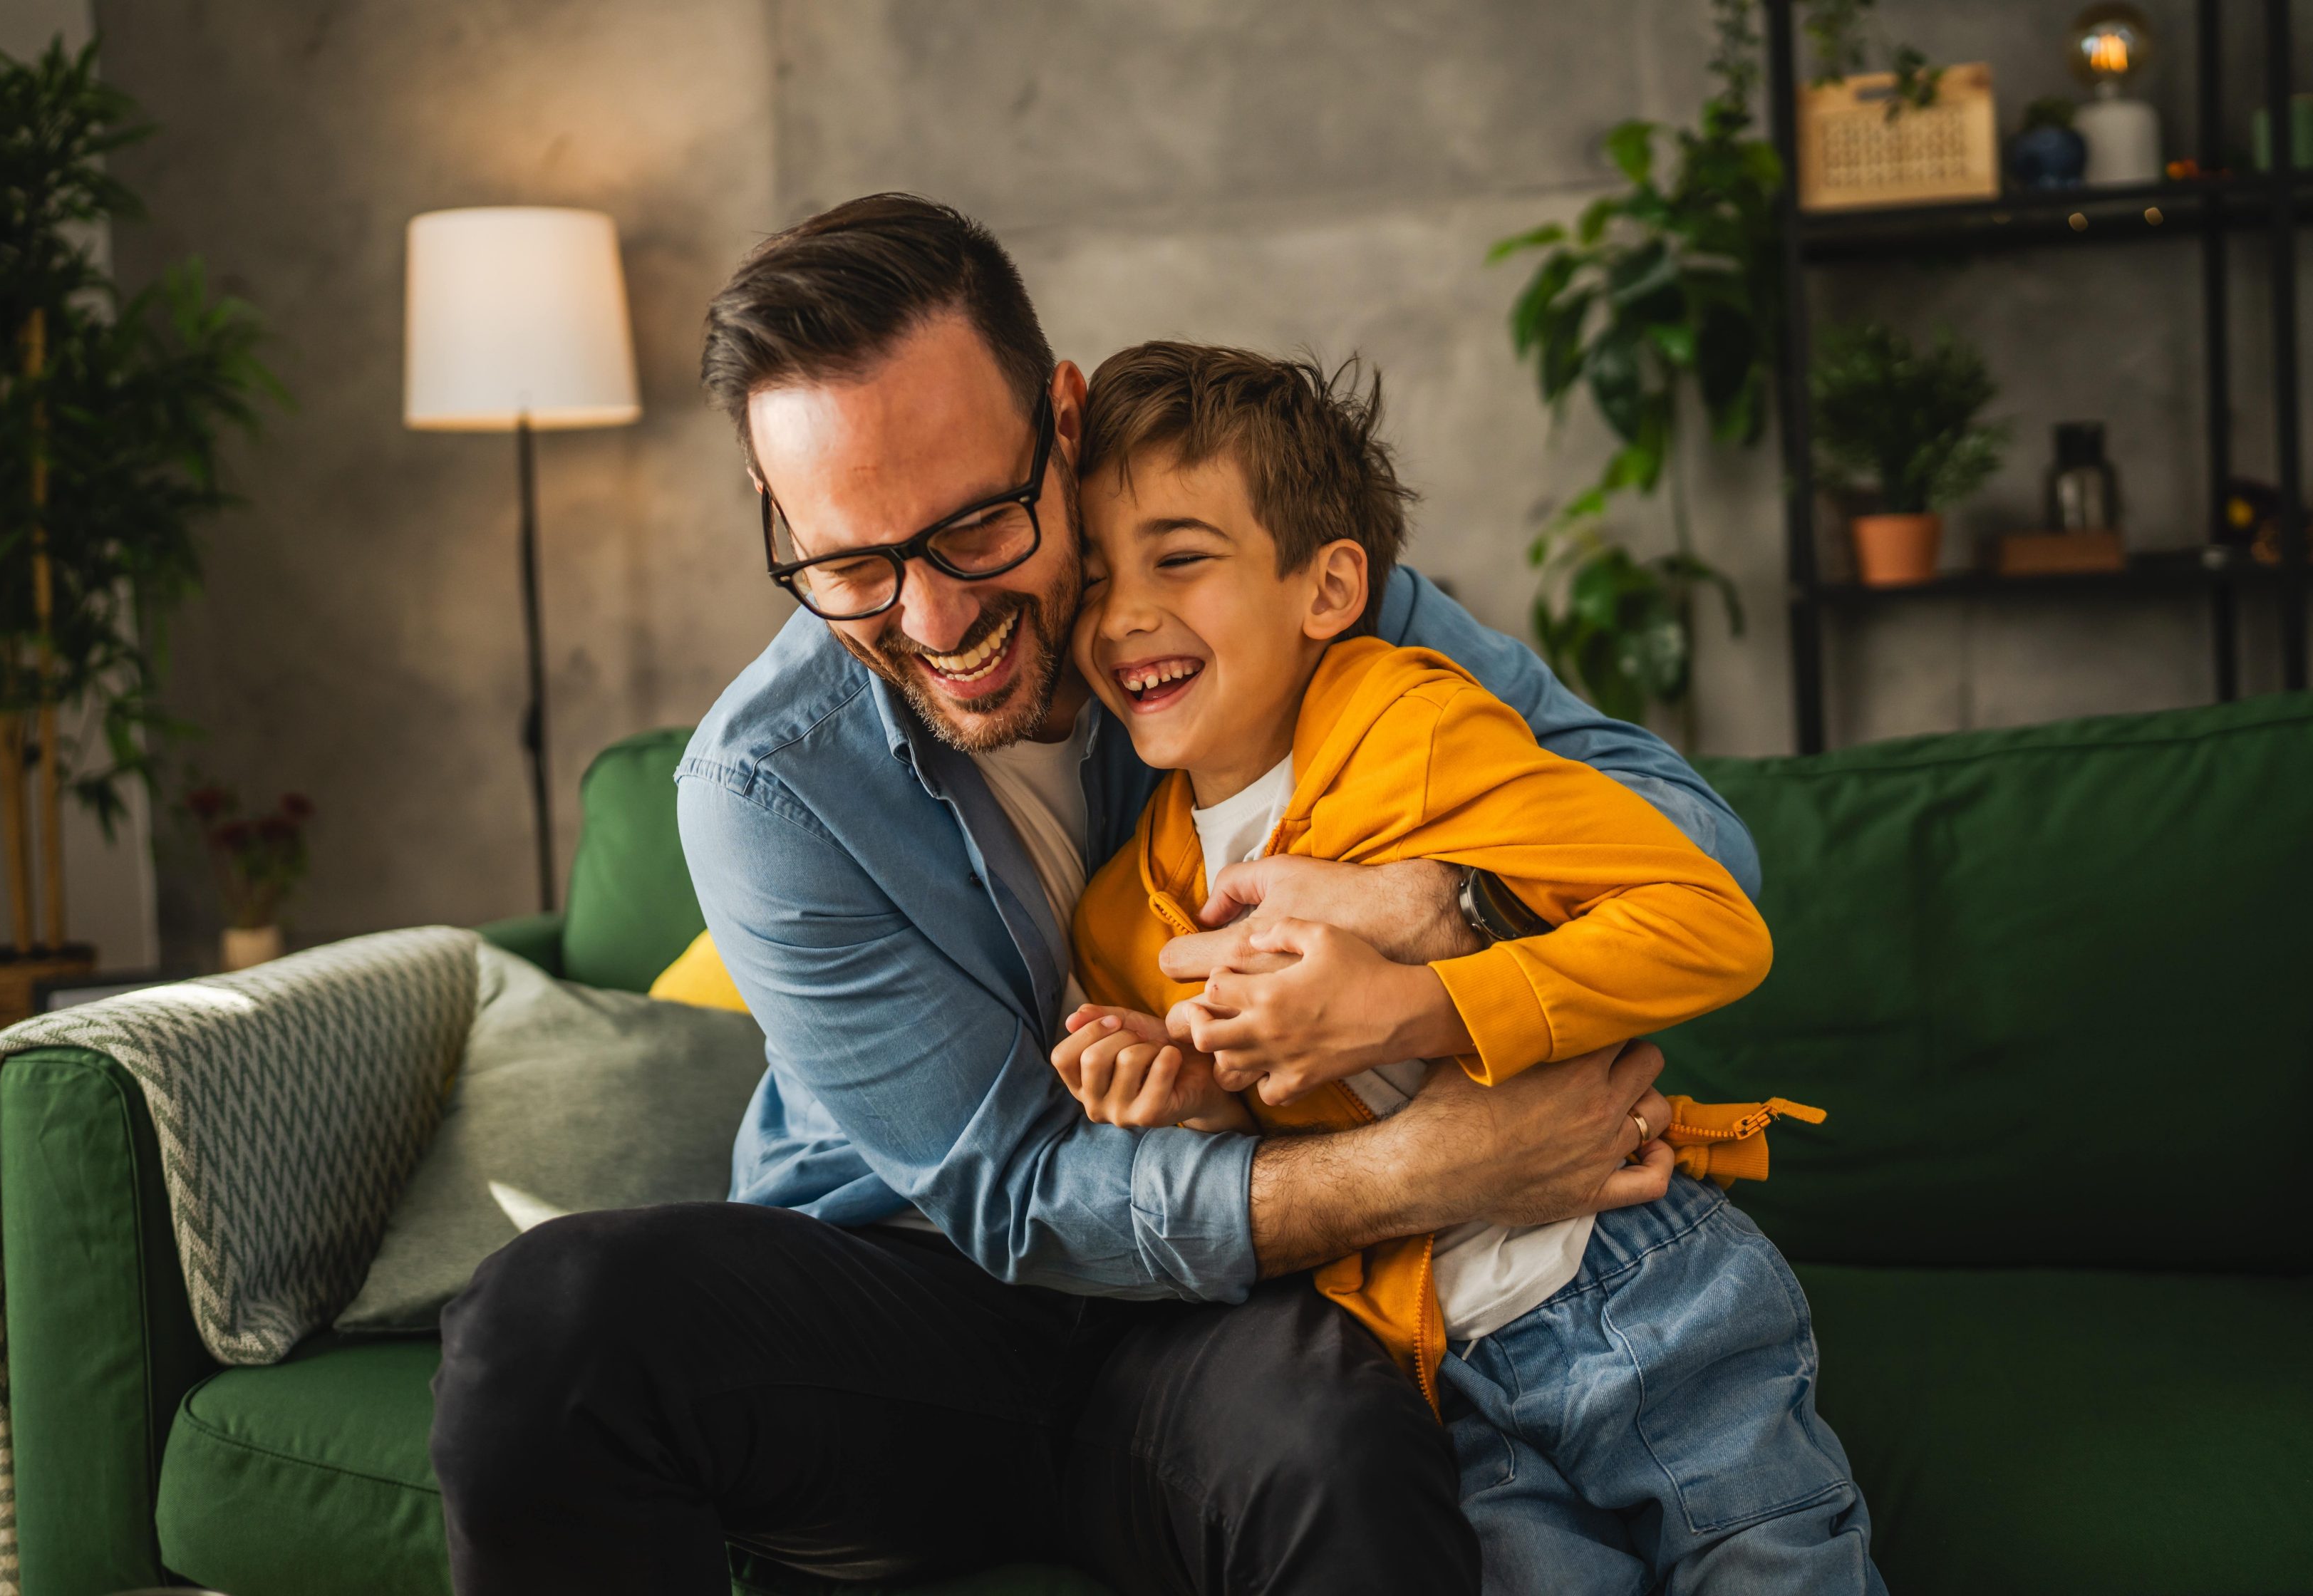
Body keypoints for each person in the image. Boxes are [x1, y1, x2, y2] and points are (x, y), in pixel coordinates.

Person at [429, 192, 1766, 1595]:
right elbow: (1007, 1192)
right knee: (545, 1324)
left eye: (975, 527)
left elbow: (1692, 846)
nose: (936, 623)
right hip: (915, 1311)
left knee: (1344, 1448)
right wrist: (1426, 1167)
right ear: (782, 522)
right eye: (851, 564)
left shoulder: (1248, 576)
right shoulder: (763, 786)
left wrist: (1434, 913)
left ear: (1062, 420)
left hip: (1236, 1319)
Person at [1048, 341, 1882, 1593]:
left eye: (1179, 557)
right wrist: (1181, 1090)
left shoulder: (1413, 726)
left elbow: (1708, 917)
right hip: (1433, 1362)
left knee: (1772, 1570)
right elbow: (1286, 1141)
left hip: (1627, 1277)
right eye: (1095, 576)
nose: (1122, 614)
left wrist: (1417, 1002)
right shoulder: (1125, 910)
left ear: (1329, 587)